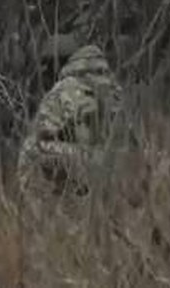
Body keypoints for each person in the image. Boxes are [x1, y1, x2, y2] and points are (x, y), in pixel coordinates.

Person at [17, 44, 124, 194]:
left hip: (89, 162)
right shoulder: (112, 85)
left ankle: (41, 201)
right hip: (118, 162)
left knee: (30, 148)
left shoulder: (67, 87)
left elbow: (43, 132)